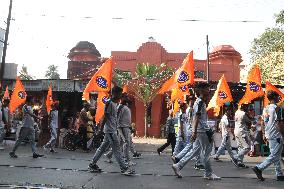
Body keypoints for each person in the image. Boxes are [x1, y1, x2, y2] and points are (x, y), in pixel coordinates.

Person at [172, 83, 221, 180]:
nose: (209, 90)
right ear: (201, 90)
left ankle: (178, 165)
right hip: (203, 131)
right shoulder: (200, 102)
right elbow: (196, 117)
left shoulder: (198, 102)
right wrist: (194, 131)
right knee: (207, 153)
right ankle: (208, 174)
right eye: (207, 89)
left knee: (195, 151)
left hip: (199, 131)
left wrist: (195, 131)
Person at [88, 86, 134, 175]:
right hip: (110, 131)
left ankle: (92, 164)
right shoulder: (109, 103)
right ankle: (124, 168)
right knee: (117, 149)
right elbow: (105, 117)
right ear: (115, 94)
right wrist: (100, 130)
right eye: (120, 94)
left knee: (102, 148)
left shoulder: (114, 103)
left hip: (111, 130)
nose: (121, 96)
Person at [252, 91, 284, 181]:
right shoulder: (277, 108)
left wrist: (263, 133)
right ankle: (259, 168)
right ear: (274, 97)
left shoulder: (265, 108)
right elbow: (280, 123)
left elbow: (262, 122)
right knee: (274, 155)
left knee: (276, 155)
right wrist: (283, 135)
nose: (279, 98)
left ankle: (279, 174)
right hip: (276, 135)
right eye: (277, 96)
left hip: (269, 134)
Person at [233, 104, 252, 168]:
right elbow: (249, 121)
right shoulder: (244, 114)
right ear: (245, 107)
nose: (248, 108)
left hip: (236, 131)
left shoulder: (237, 112)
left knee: (240, 148)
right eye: (247, 107)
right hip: (242, 132)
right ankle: (235, 157)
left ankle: (239, 162)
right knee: (247, 147)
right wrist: (249, 115)